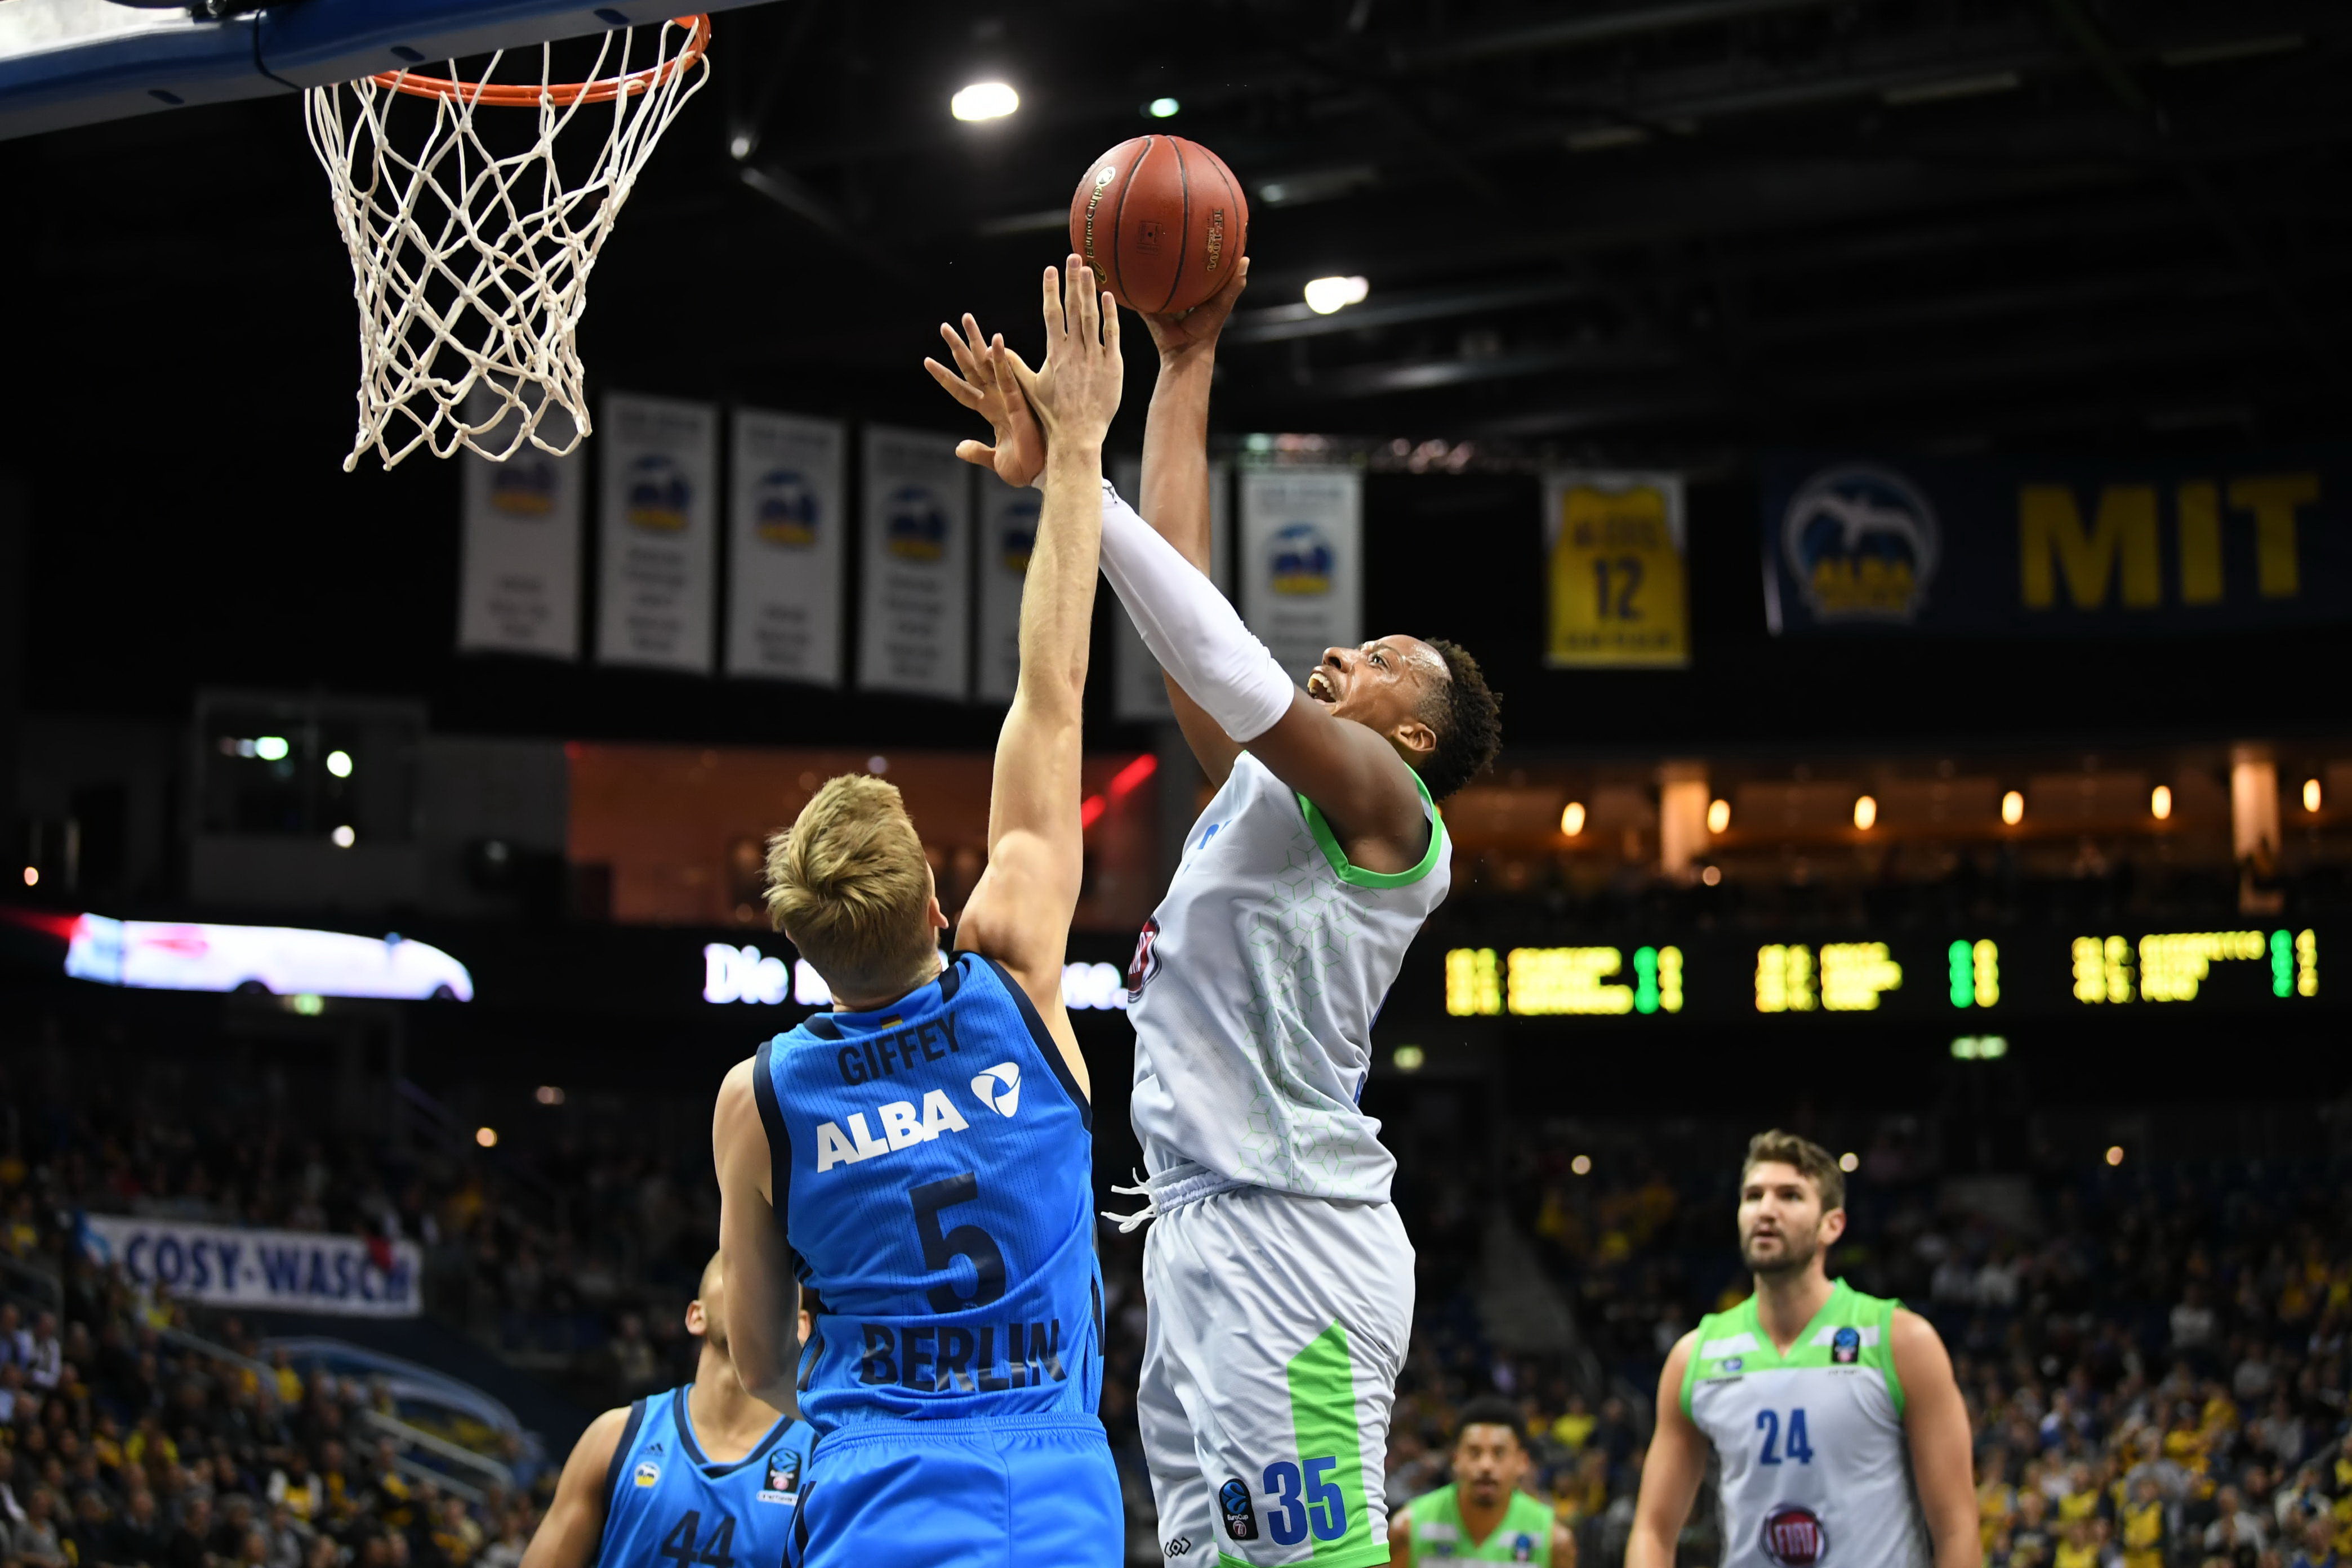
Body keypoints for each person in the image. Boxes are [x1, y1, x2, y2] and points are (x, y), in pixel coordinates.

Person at [932, 250, 1502, 1568]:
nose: (1347, 651)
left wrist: (1077, 467)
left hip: (1289, 1235)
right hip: (1199, 1224)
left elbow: (1223, 656)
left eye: (1378, 660)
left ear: (1409, 727)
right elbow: (1184, 602)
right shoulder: (1269, 795)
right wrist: (1184, 364)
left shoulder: (1391, 812)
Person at [711, 257, 1126, 1568]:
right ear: (941, 896)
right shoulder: (1014, 971)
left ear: (802, 943)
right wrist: (1073, 455)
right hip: (1051, 1505)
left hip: (865, 1511)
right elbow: (1049, 692)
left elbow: (764, 1361)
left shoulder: (759, 1094)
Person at [1624, 1130, 1980, 1568]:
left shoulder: (1900, 1341)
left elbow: (1958, 1528)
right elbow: (1652, 1531)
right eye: (1753, 1196)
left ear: (1832, 1224)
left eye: (1790, 1196)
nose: (1766, 1210)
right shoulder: (1695, 1357)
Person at [518, 1254, 813, 1568]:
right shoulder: (614, 1437)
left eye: (775, 1282)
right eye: (736, 1271)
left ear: (801, 1327)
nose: (756, 1287)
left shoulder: (822, 1462)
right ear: (695, 1316)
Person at [1388, 1398, 1575, 1565]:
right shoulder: (1408, 1529)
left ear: (1522, 1462)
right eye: (1474, 1452)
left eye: (1499, 1453)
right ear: (1455, 1459)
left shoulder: (1554, 1541)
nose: (1486, 1466)